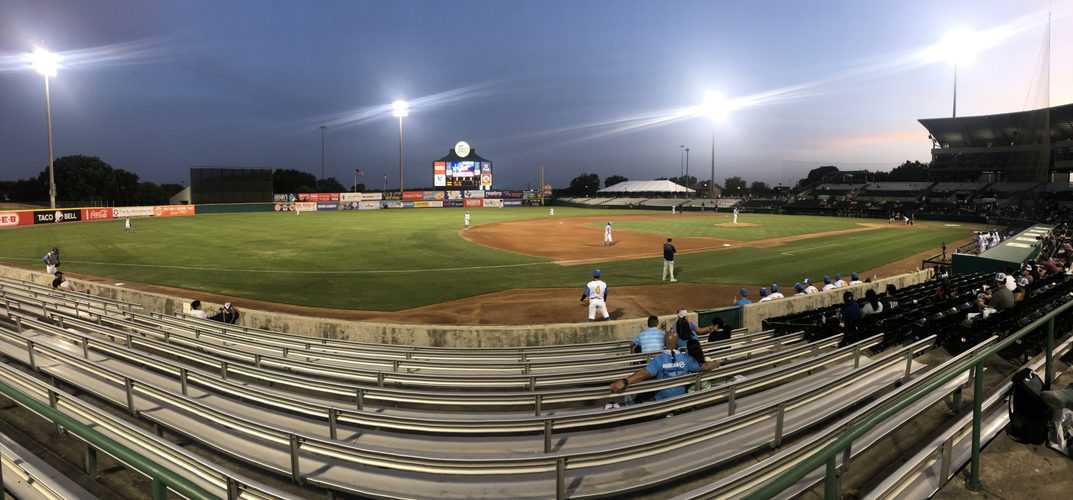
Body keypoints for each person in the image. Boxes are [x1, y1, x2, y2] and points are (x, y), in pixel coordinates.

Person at [609, 330, 721, 401]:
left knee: (640, 398)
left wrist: (625, 381)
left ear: (664, 344)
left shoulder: (659, 360)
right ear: (677, 344)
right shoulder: (687, 359)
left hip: (662, 400)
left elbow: (643, 373)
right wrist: (717, 362)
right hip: (681, 399)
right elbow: (705, 366)